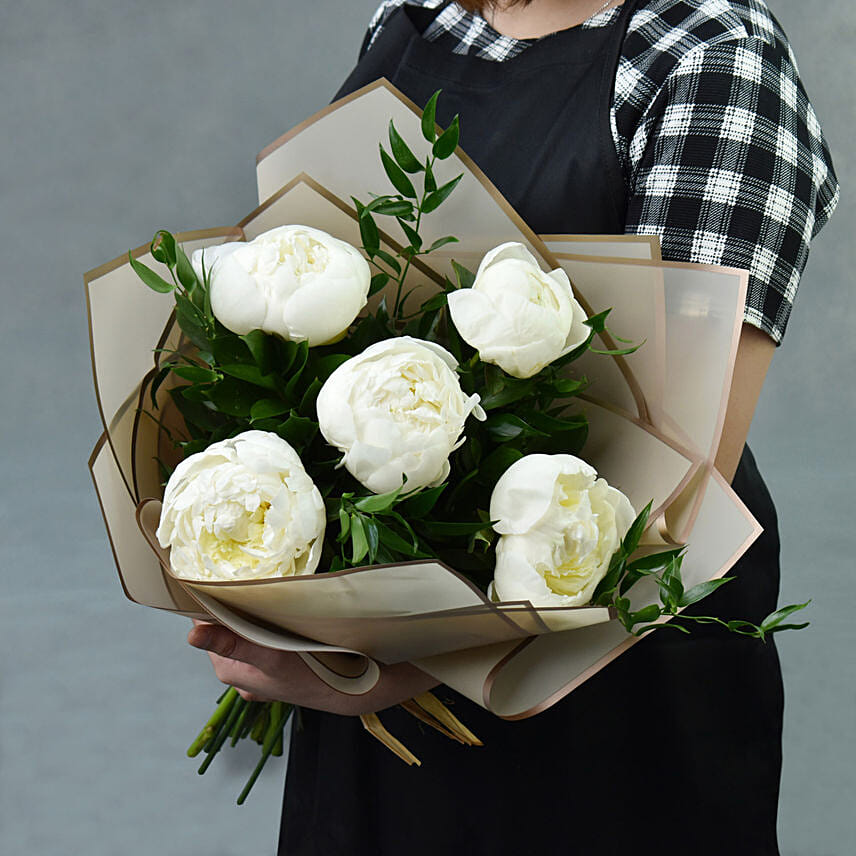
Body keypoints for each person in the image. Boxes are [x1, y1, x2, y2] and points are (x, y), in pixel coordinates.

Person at [186, 2, 839, 853]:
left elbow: (676, 483)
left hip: (607, 670)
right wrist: (291, 594)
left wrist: (394, 667)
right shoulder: (416, 17)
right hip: (378, 649)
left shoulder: (714, 57)